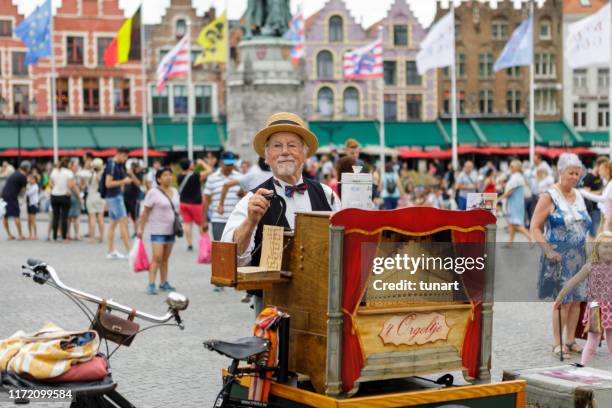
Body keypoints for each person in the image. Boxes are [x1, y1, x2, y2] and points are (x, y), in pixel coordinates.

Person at [221, 112, 341, 313]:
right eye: (277, 146)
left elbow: (343, 245)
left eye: (292, 145)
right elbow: (230, 256)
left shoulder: (327, 194)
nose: (285, 151)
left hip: (321, 301)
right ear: (267, 157)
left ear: (304, 153)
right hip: (272, 304)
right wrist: (250, 222)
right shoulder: (250, 201)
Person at [530, 153, 591, 358]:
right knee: (563, 302)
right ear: (560, 171)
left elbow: (585, 226)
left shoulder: (579, 195)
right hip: (558, 258)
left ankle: (571, 339)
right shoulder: (549, 196)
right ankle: (558, 343)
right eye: (570, 173)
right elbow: (535, 227)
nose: (574, 177)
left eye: (577, 173)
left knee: (577, 301)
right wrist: (548, 250)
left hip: (580, 258)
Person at [554, 232, 612, 366]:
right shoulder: (590, 267)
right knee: (592, 341)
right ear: (597, 247)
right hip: (596, 309)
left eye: (611, 246)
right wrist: (561, 296)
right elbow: (573, 281)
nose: (609, 249)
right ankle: (583, 368)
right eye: (605, 246)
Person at [137, 167, 179, 295]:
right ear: (159, 179)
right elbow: (145, 213)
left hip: (171, 230)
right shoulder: (153, 192)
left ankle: (164, 282)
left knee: (165, 258)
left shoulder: (175, 191)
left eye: (170, 175)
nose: (168, 177)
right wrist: (141, 229)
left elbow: (177, 209)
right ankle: (151, 283)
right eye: (165, 175)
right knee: (157, 257)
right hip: (157, 230)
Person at [202, 151, 242, 242]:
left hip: (236, 219)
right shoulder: (212, 178)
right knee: (220, 249)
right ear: (221, 162)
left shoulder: (240, 177)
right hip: (218, 219)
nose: (230, 166)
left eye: (231, 164)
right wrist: (204, 221)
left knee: (236, 249)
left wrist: (243, 194)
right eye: (227, 164)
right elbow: (206, 200)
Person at [177, 157, 213, 251]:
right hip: (196, 204)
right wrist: (201, 162)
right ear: (189, 166)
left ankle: (189, 244)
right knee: (201, 224)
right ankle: (205, 243)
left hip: (183, 203)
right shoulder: (196, 175)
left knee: (187, 224)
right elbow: (209, 170)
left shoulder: (179, 176)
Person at [104, 147, 133, 259]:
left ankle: (111, 251)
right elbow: (108, 183)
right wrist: (123, 181)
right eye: (125, 157)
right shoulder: (112, 165)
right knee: (123, 223)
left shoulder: (116, 165)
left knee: (113, 224)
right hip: (115, 197)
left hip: (113, 197)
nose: (125, 159)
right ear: (120, 154)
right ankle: (129, 251)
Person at [499, 160, 533, 244]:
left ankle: (531, 238)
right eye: (510, 166)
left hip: (515, 204)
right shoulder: (516, 176)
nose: (510, 168)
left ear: (517, 168)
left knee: (516, 224)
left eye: (512, 166)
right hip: (514, 203)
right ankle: (510, 242)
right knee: (511, 223)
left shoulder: (516, 178)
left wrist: (499, 198)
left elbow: (510, 191)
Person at [580, 159, 611, 234]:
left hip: (608, 215)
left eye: (601, 170)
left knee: (602, 237)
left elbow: (603, 199)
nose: (599, 172)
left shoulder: (610, 183)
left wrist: (583, 192)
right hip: (604, 214)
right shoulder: (607, 182)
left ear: (607, 170)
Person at [1, 161, 29, 240]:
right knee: (16, 215)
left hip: (3, 194)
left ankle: (9, 235)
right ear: (27, 169)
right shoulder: (23, 177)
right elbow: (23, 191)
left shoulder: (15, 173)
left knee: (5, 216)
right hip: (12, 196)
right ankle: (20, 235)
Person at [49, 158, 74, 242]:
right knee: (64, 217)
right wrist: (68, 189)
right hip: (65, 195)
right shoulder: (69, 172)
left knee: (55, 217)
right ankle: (64, 237)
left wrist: (56, 187)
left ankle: (54, 236)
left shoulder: (54, 171)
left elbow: (50, 184)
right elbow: (70, 185)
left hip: (54, 195)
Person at [86, 158, 106, 243]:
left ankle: (92, 238)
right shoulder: (102, 174)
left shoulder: (90, 174)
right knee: (100, 217)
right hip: (100, 197)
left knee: (92, 218)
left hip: (91, 197)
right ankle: (101, 237)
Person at [123, 161, 144, 237]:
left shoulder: (139, 174)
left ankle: (136, 232)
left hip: (135, 198)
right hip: (125, 197)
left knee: (135, 216)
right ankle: (125, 233)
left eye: (133, 167)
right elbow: (123, 183)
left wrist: (132, 174)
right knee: (124, 216)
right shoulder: (126, 174)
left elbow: (138, 184)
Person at [67, 159, 82, 240]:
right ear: (72, 166)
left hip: (68, 196)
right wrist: (79, 196)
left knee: (68, 217)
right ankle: (76, 234)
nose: (77, 167)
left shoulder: (67, 173)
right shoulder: (72, 175)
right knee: (76, 217)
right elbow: (73, 186)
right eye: (76, 166)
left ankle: (68, 234)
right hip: (74, 197)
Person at [26, 172, 39, 240]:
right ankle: (30, 234)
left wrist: (27, 189)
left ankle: (35, 235)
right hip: (29, 204)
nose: (30, 180)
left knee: (33, 220)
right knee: (28, 220)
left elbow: (28, 193)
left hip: (33, 204)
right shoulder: (29, 185)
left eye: (32, 179)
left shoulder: (35, 186)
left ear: (35, 180)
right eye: (30, 179)